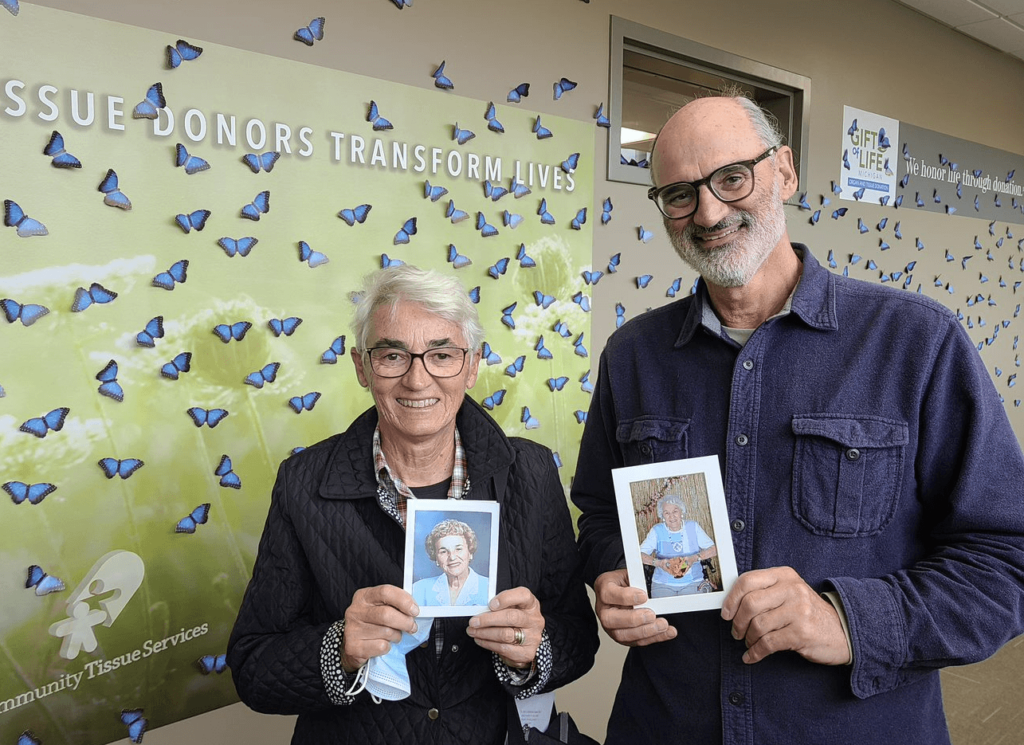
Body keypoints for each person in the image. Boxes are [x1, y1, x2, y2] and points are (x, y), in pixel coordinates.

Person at [571, 90, 1024, 744]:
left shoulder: (917, 343)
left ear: (783, 171)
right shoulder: (633, 357)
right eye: (679, 193)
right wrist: (613, 571)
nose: (708, 210)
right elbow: (600, 514)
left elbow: (1005, 558)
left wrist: (847, 622)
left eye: (732, 177)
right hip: (665, 724)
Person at [228, 264, 598, 745]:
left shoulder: (529, 472)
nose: (417, 380)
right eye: (392, 356)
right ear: (362, 366)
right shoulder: (303, 482)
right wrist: (339, 649)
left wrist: (531, 649)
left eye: (441, 354)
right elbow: (253, 667)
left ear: (472, 365)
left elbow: (578, 636)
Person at [639, 494, 717, 597]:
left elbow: (714, 549)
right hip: (662, 584)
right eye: (667, 513)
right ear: (662, 516)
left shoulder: (693, 526)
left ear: (681, 512)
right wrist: (658, 563)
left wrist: (694, 558)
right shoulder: (657, 530)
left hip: (693, 582)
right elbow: (639, 555)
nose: (671, 516)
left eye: (675, 511)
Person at [413, 518, 490, 607]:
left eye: (458, 549)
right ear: (436, 558)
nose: (452, 557)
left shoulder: (489, 587)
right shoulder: (419, 589)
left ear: (470, 552)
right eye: (443, 551)